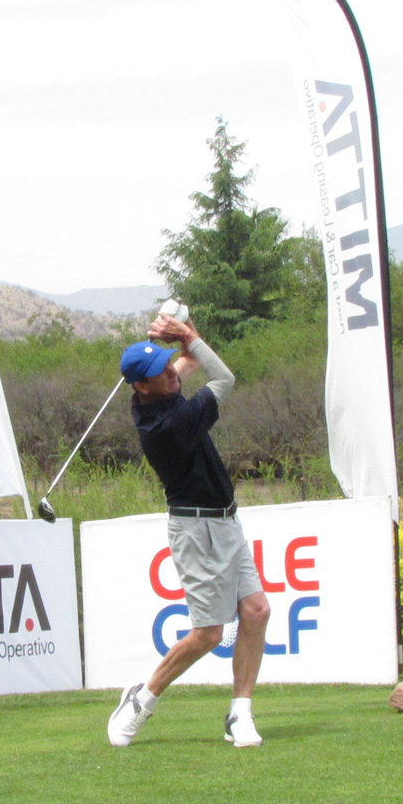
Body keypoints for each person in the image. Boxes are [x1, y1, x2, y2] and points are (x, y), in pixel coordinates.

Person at [106, 311, 272, 749]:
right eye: (160, 371)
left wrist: (184, 330)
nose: (171, 373)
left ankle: (239, 714)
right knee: (208, 634)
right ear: (142, 386)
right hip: (196, 530)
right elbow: (224, 378)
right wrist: (187, 337)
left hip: (226, 521)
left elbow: (190, 361)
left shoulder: (159, 391)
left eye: (166, 364)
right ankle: (142, 699)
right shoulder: (165, 427)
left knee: (256, 610)